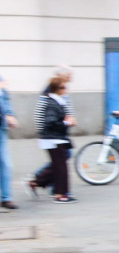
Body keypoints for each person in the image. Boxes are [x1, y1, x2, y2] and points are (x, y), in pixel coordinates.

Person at [30, 65, 75, 195]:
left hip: (59, 131)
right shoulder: (51, 90)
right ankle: (42, 181)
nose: (70, 78)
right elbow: (42, 112)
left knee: (62, 158)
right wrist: (44, 132)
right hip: (53, 133)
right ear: (61, 76)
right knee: (61, 159)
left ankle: (43, 182)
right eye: (69, 75)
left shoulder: (62, 88)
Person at [0, 74, 17, 209]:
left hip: (1, 128)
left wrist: (10, 115)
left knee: (5, 163)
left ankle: (6, 198)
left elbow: (5, 99)